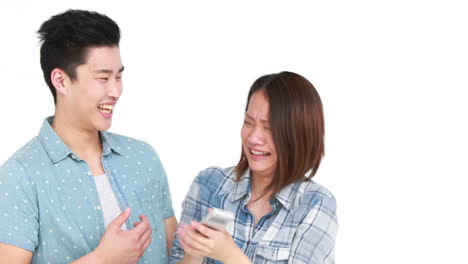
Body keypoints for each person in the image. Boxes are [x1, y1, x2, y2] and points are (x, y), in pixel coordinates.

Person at [0, 9, 177, 264]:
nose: (115, 90)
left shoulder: (143, 157)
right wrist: (102, 259)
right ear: (61, 80)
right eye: (103, 78)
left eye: (119, 76)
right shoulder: (20, 176)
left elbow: (176, 253)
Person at [170, 71, 338, 264]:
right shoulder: (209, 184)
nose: (253, 138)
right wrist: (195, 254)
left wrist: (231, 256)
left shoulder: (316, 204)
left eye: (268, 128)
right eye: (249, 122)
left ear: (299, 135)